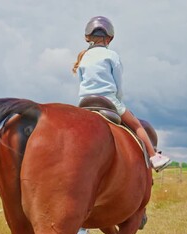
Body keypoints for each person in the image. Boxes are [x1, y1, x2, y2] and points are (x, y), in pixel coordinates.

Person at [72, 16, 171, 172]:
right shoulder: (111, 55)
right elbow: (118, 83)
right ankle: (153, 156)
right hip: (109, 100)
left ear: (87, 37)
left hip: (85, 102)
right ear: (109, 38)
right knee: (137, 125)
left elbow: (81, 79)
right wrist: (119, 99)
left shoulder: (83, 57)